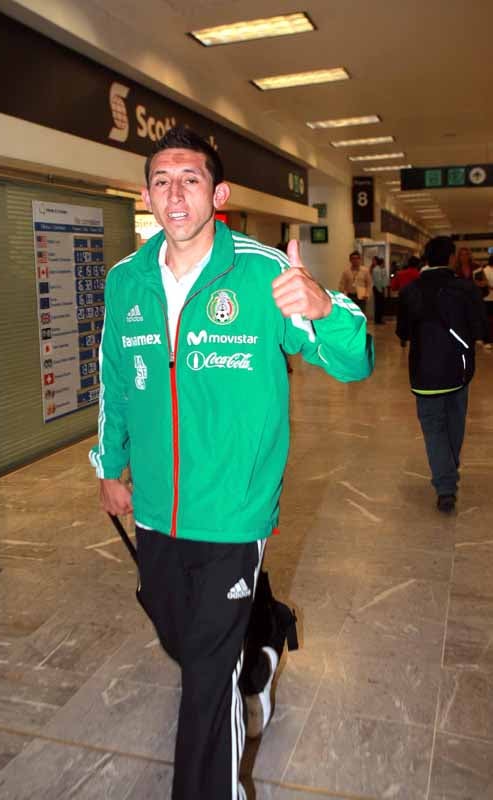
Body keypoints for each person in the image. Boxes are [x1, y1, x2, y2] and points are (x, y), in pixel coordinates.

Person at [89, 126, 374, 800]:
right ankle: (262, 650)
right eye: (161, 181)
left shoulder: (262, 272)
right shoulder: (126, 281)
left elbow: (353, 362)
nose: (174, 194)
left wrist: (324, 309)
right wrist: (109, 464)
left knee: (204, 683)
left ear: (217, 194)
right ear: (146, 195)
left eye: (190, 179)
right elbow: (117, 381)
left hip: (235, 511)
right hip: (156, 506)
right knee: (179, 637)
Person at [396, 236, 486, 514]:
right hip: (459, 370)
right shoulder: (465, 289)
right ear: (450, 258)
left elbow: (402, 332)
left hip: (424, 372)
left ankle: (445, 485)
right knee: (455, 423)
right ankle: (447, 473)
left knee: (434, 428)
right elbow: (481, 328)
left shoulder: (410, 290)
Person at [371, 256, 389, 324]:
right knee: (379, 305)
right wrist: (380, 290)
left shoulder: (380, 269)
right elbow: (378, 281)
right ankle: (378, 320)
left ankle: (379, 319)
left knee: (380, 305)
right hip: (378, 288)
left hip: (379, 288)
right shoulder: (377, 270)